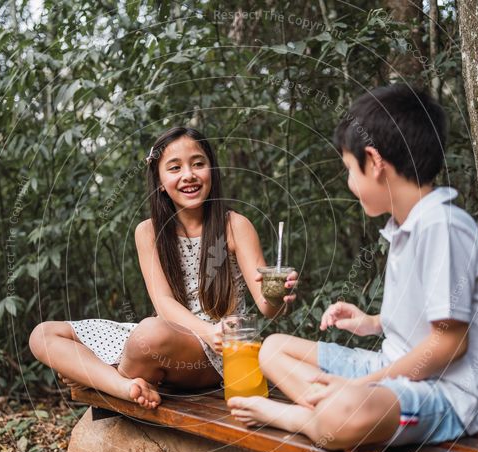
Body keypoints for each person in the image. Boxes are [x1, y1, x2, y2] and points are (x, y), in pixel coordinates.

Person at [228, 85, 478, 452]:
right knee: (273, 347)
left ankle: (303, 419)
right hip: (389, 371)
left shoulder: (442, 226)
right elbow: (425, 319)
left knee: (347, 410)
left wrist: (359, 385)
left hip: (445, 396)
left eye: (348, 170)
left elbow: (449, 343)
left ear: (374, 161)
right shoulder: (407, 226)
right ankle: (342, 417)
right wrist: (371, 322)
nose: (349, 183)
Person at [29, 127, 297, 408]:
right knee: (43, 335)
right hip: (170, 334)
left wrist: (279, 294)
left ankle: (95, 376)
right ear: (159, 181)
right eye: (174, 167)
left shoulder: (235, 226)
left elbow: (268, 308)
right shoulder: (148, 232)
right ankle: (124, 386)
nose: (188, 175)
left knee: (150, 333)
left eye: (198, 163)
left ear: (211, 171)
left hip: (218, 349)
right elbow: (163, 302)